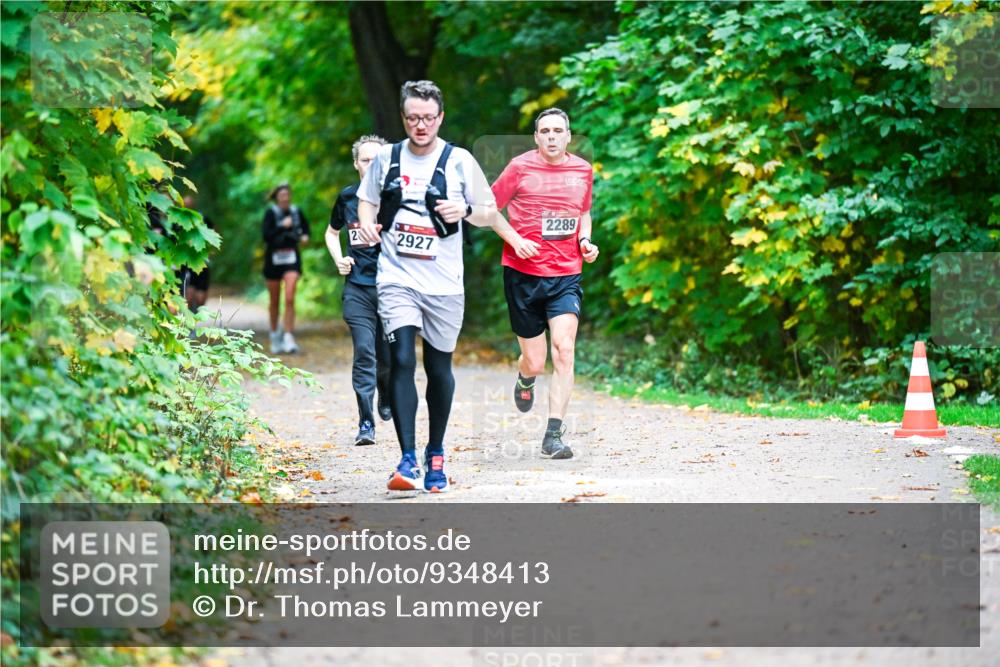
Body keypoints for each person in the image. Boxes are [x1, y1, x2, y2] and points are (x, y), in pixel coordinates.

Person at [356, 80, 498, 493]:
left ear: (441, 118)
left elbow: (490, 211)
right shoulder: (386, 158)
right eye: (413, 117)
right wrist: (367, 223)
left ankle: (436, 454)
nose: (421, 125)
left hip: (445, 284)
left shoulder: (460, 161)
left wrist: (466, 209)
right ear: (404, 118)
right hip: (397, 277)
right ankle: (407, 459)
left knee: (439, 370)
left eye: (428, 118)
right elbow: (367, 199)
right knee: (401, 359)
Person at [490, 107, 600, 460]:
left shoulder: (583, 170)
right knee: (535, 362)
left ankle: (553, 435)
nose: (551, 136)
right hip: (523, 274)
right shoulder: (520, 167)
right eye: (545, 131)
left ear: (568, 136)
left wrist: (585, 240)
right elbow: (488, 209)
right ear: (536, 137)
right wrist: (514, 239)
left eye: (558, 131)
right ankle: (525, 378)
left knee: (564, 350)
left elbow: (584, 212)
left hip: (566, 273)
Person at [326, 134, 393, 447]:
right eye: (365, 160)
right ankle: (366, 422)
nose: (371, 165)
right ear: (356, 164)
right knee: (365, 353)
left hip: (394, 291)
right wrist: (340, 258)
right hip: (358, 289)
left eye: (377, 159)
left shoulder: (398, 197)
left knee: (389, 359)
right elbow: (331, 233)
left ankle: (386, 392)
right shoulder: (347, 198)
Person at [262, 183, 310, 354]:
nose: (285, 198)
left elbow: (306, 231)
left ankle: (289, 336)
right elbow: (266, 236)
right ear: (277, 197)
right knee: (274, 301)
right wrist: (283, 225)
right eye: (282, 195)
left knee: (289, 297)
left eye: (287, 194)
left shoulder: (297, 212)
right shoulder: (271, 213)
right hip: (273, 260)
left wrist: (305, 237)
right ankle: (275, 335)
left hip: (291, 259)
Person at [178, 193, 213, 314]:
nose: (187, 206)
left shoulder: (203, 219)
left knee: (200, 298)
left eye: (189, 204)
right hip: (186, 262)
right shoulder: (178, 220)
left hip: (202, 261)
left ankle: (194, 312)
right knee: (189, 294)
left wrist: (209, 250)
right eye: (185, 204)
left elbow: (213, 236)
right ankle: (189, 324)